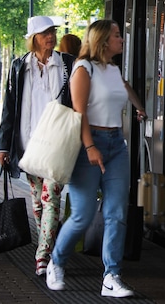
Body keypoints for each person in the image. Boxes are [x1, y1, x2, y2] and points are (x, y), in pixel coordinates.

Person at [47, 19, 147, 297]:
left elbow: (124, 88)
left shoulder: (113, 69)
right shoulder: (83, 69)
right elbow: (80, 114)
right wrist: (91, 147)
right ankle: (56, 261)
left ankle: (111, 276)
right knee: (83, 214)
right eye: (117, 35)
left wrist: (140, 108)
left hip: (117, 145)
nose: (122, 40)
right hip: (87, 145)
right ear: (103, 40)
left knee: (117, 213)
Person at [0, 16, 74, 277]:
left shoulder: (66, 64)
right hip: (28, 144)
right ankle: (50, 246)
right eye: (44, 33)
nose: (50, 36)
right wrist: (3, 146)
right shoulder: (19, 66)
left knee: (50, 196)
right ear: (33, 39)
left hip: (57, 144)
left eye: (52, 31)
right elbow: (9, 108)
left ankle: (43, 255)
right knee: (38, 202)